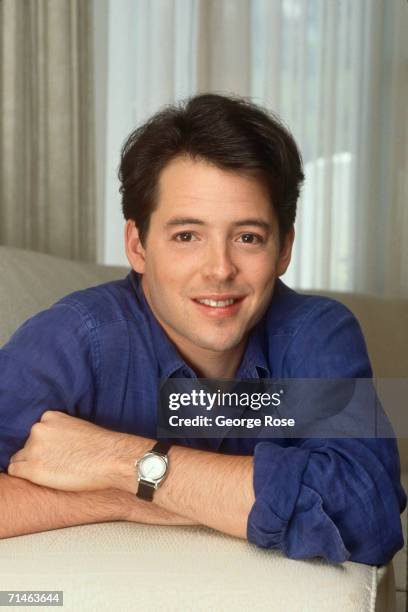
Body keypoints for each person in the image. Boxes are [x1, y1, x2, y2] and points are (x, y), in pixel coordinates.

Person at [0, 94, 405, 565]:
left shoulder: (316, 332)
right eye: (187, 236)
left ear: (283, 250)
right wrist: (128, 499)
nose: (219, 269)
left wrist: (118, 460)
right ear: (138, 245)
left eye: (248, 237)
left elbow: (369, 517)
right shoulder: (75, 338)